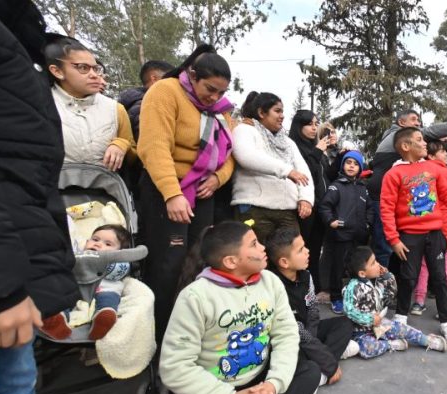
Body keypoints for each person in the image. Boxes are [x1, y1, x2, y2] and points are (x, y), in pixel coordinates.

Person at [0, 2, 78, 394]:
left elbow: (27, 173)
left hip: (15, 266)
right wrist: (0, 287)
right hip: (2, 277)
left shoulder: (15, 47)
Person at [160, 221, 323, 394]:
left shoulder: (270, 282)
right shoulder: (195, 297)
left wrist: (273, 385)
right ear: (231, 261)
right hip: (216, 388)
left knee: (310, 371)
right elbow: (175, 366)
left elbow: (286, 334)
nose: (263, 248)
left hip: (260, 381)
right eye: (254, 244)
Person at [138, 44, 236, 342]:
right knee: (168, 265)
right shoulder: (166, 92)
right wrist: (171, 193)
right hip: (166, 191)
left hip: (203, 194)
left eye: (221, 92)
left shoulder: (220, 111)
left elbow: (229, 154)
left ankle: (190, 334)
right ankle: (160, 338)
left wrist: (217, 179)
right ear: (192, 75)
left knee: (198, 263)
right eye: (210, 89)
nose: (215, 97)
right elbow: (153, 147)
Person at [380, 127, 447, 346]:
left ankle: (446, 321)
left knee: (441, 278)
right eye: (419, 140)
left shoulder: (433, 169)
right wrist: (393, 239)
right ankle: (401, 318)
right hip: (409, 236)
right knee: (408, 277)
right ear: (406, 146)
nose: (425, 144)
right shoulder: (394, 174)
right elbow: (386, 208)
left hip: (435, 234)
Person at [367, 109, 447, 266]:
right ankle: (383, 284)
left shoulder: (421, 164)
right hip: (381, 201)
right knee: (386, 247)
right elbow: (429, 132)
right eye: (414, 119)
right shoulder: (394, 137)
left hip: (404, 210)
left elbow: (445, 191)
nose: (418, 123)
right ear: (402, 124)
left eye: (419, 120)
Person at [266, 227, 357, 387]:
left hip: (307, 331)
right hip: (287, 338)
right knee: (293, 354)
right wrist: (329, 363)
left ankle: (317, 364)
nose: (308, 251)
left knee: (345, 323)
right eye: (301, 250)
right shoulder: (273, 285)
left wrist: (314, 341)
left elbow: (314, 310)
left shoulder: (306, 275)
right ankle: (322, 362)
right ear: (284, 262)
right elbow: (293, 329)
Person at [231, 91, 314, 245]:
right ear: (261, 112)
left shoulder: (288, 142)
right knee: (256, 259)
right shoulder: (244, 130)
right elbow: (246, 156)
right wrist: (287, 171)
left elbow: (303, 171)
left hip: (287, 213)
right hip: (255, 209)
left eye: (282, 111)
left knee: (290, 260)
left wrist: (306, 199)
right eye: (277, 111)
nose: (282, 116)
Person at [45, 36, 136, 171]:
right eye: (83, 68)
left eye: (95, 68)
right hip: (49, 188)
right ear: (57, 71)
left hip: (105, 188)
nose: (94, 75)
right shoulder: (39, 105)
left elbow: (133, 155)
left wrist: (122, 144)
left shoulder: (115, 109)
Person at [342, 247, 447, 358]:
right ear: (362, 273)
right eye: (373, 263)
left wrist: (386, 277)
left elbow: (390, 295)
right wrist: (370, 319)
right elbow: (348, 310)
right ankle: (390, 344)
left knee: (400, 328)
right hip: (360, 333)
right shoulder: (353, 288)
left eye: (376, 261)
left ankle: (425, 340)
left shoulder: (373, 281)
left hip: (379, 325)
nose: (378, 264)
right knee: (367, 348)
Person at [40, 224, 136, 340]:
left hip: (103, 283)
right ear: (86, 241)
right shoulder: (79, 253)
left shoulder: (116, 261)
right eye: (95, 239)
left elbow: (122, 270)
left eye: (108, 244)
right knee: (61, 291)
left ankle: (104, 316)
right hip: (76, 282)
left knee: (110, 291)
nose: (98, 244)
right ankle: (57, 320)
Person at [318, 150, 373, 314]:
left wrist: (368, 224)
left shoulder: (364, 188)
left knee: (357, 268)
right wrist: (330, 221)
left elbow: (370, 208)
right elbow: (324, 206)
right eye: (348, 162)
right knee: (338, 267)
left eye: (356, 164)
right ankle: (335, 298)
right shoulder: (336, 186)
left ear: (360, 168)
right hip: (341, 235)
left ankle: (355, 296)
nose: (352, 166)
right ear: (343, 165)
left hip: (360, 235)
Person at [411, 141, 447, 314]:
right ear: (432, 156)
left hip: (423, 221)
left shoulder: (419, 171)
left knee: (424, 265)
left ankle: (418, 302)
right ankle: (445, 305)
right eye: (442, 152)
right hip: (444, 223)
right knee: (444, 267)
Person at [289, 110, 330, 294]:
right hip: (304, 205)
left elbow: (325, 175)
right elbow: (307, 175)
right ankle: (299, 287)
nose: (314, 128)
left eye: (316, 123)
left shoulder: (316, 148)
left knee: (314, 249)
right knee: (301, 247)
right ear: (299, 126)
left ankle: (314, 287)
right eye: (310, 124)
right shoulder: (294, 147)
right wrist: (317, 152)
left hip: (320, 205)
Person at [118, 60, 173, 141]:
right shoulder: (145, 106)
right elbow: (153, 141)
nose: (175, 84)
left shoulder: (137, 102)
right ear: (154, 78)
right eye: (171, 79)